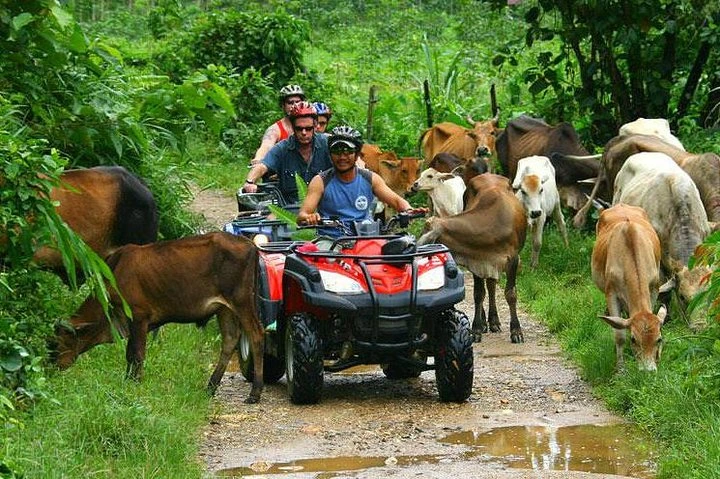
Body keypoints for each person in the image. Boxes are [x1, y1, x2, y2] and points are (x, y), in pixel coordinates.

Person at [297, 125, 412, 237]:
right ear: (330, 154)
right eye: (337, 152)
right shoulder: (320, 181)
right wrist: (309, 217)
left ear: (357, 155)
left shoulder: (370, 178)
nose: (342, 157)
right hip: (331, 241)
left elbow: (397, 202)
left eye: (348, 152)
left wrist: (410, 211)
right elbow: (303, 215)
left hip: (366, 239)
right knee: (324, 253)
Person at [242, 101, 331, 203]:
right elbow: (263, 166)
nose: (304, 133)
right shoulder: (282, 148)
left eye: (308, 128)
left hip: (325, 209)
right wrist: (250, 181)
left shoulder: (327, 144)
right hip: (289, 210)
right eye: (299, 129)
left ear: (315, 126)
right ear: (292, 127)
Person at [250, 84, 306, 166]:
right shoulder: (275, 129)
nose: (294, 105)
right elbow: (266, 145)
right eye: (290, 103)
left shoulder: (311, 125)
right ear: (283, 106)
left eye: (297, 102)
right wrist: (258, 158)